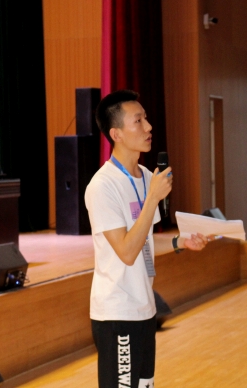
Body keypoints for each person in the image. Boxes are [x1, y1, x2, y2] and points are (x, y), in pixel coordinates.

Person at [84, 89, 211, 387]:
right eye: (138, 121)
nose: (149, 127)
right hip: (117, 313)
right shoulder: (102, 187)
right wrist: (153, 198)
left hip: (144, 308)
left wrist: (180, 242)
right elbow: (127, 251)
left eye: (146, 119)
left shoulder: (145, 176)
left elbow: (144, 241)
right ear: (116, 134)